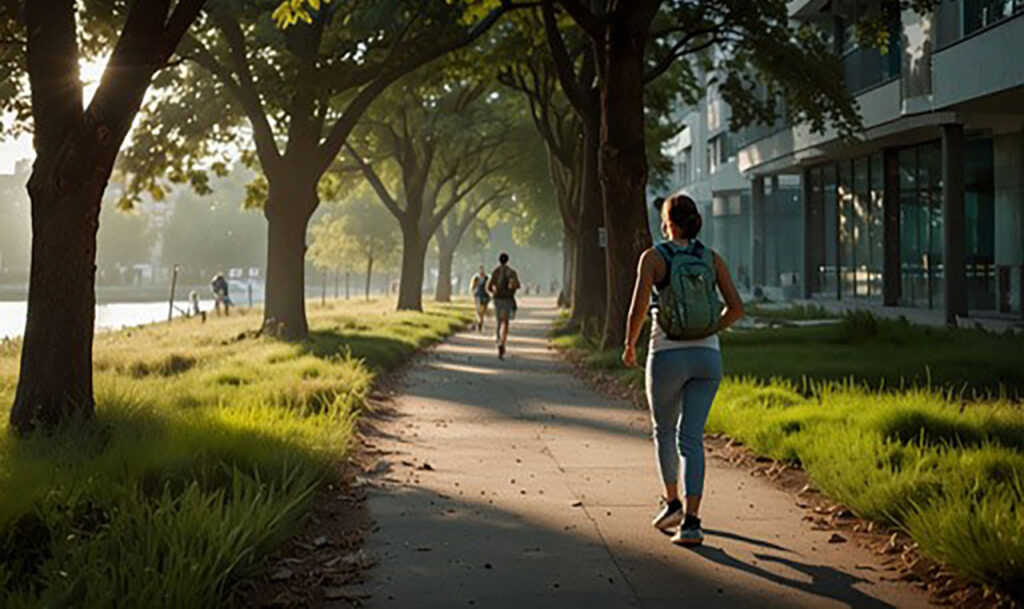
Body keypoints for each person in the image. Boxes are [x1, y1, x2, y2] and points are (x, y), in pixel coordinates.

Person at [621, 194, 744, 547]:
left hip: (667, 355)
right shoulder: (712, 258)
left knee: (664, 430)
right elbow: (736, 308)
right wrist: (707, 329)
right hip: (708, 359)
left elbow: (638, 308)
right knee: (692, 439)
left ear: (667, 223)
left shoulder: (654, 258)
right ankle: (692, 522)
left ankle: (672, 502)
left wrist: (630, 344)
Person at [487, 252, 520, 360]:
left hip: (497, 299)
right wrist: (511, 291)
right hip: (507, 299)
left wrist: (495, 292)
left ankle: (498, 339)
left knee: (499, 321)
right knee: (505, 322)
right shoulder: (511, 272)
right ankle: (503, 342)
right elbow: (517, 285)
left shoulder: (495, 272)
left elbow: (489, 287)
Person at [470, 266, 490, 332]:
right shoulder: (476, 278)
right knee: (479, 311)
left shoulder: (487, 278)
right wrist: (473, 293)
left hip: (485, 296)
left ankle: (480, 322)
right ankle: (479, 323)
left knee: (482, 311)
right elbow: (473, 287)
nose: (482, 271)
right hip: (478, 296)